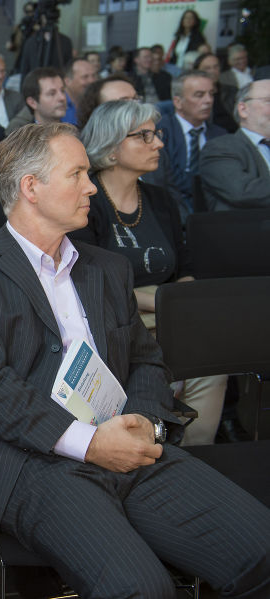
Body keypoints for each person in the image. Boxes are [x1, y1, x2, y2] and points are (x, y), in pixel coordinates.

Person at [0, 120, 270, 596]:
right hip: (32, 462)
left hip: (127, 445)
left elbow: (148, 362)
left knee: (261, 550)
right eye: (77, 174)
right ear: (31, 187)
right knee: (142, 590)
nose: (92, 186)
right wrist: (88, 443)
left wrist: (144, 426)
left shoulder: (106, 268)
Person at [72, 100, 227, 446]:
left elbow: (184, 267)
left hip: (170, 312)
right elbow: (90, 281)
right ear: (112, 147)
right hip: (115, 318)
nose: (158, 143)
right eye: (143, 136)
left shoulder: (160, 199)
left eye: (155, 134)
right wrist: (166, 304)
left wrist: (180, 302)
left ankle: (194, 455)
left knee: (214, 360)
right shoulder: (87, 201)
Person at [157, 70, 225, 218]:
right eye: (199, 95)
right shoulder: (160, 132)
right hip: (172, 206)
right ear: (178, 102)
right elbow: (163, 179)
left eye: (211, 94)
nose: (208, 101)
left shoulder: (221, 135)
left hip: (214, 207)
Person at [200, 80, 270, 211]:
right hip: (251, 228)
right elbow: (242, 191)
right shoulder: (220, 148)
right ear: (243, 109)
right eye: (269, 100)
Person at [7, 66, 66, 134]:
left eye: (63, 91)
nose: (62, 98)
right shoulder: (22, 138)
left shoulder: (73, 134)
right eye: (52, 94)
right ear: (32, 102)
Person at [193, 53, 238, 133]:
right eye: (207, 68)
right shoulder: (193, 95)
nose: (213, 71)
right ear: (197, 71)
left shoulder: (231, 91)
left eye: (216, 67)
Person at [62, 57, 98, 126]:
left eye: (94, 75)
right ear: (67, 81)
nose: (92, 81)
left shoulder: (96, 102)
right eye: (85, 77)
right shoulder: (58, 105)